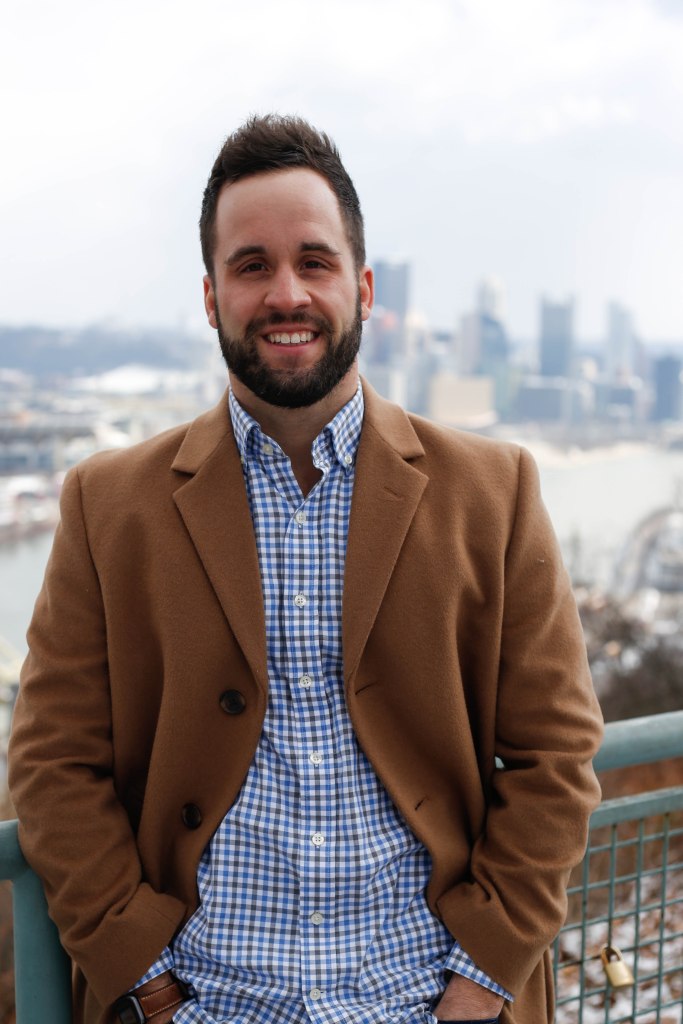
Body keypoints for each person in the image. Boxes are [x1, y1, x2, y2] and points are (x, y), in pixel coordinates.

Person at [8, 114, 603, 1024]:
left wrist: (480, 980)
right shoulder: (107, 504)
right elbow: (52, 764)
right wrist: (150, 984)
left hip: (426, 997)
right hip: (206, 1002)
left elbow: (555, 754)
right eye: (251, 266)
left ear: (361, 288)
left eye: (313, 262)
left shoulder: (494, 491)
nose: (285, 293)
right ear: (211, 297)